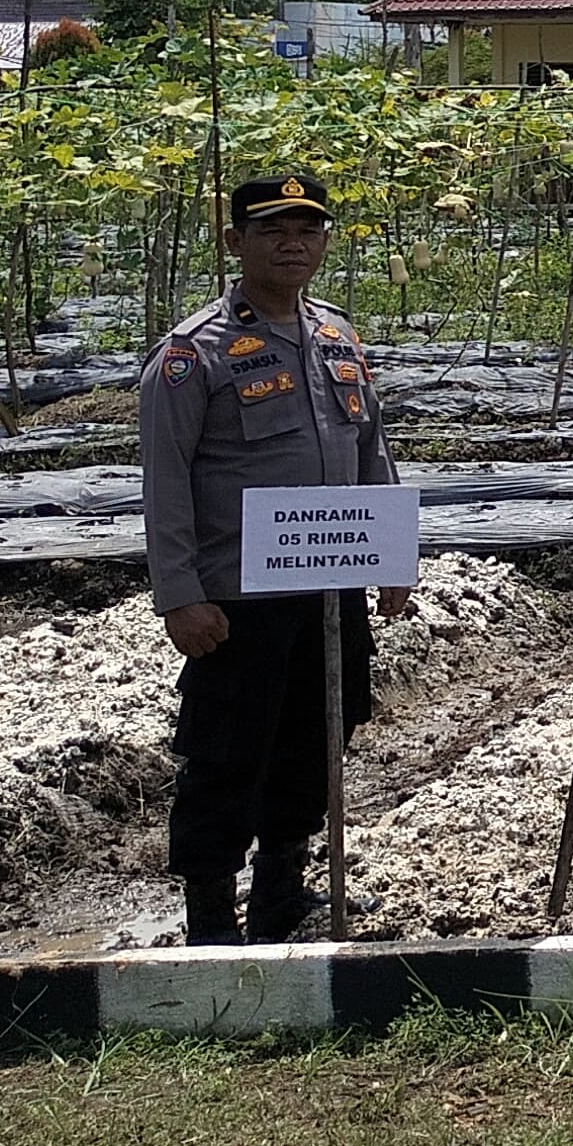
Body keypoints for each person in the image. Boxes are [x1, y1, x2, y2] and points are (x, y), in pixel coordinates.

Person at [139, 175, 411, 945]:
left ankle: (283, 892)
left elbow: (372, 452)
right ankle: (209, 916)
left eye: (308, 229)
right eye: (272, 230)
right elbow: (165, 483)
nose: (293, 244)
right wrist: (180, 597)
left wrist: (392, 558)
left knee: (321, 736)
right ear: (235, 244)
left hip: (328, 591)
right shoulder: (195, 354)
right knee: (227, 752)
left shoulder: (337, 338)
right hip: (238, 600)